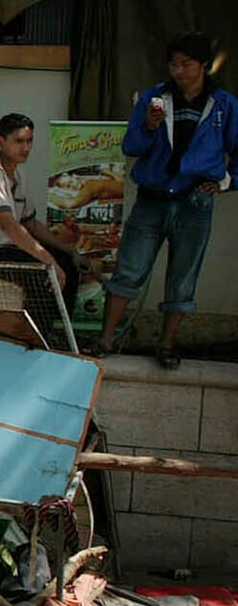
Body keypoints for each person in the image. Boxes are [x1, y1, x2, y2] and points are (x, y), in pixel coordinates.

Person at [96, 32, 237, 365]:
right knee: (129, 270)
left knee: (183, 276)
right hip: (152, 197)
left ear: (204, 66)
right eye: (174, 64)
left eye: (186, 64)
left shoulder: (225, 106)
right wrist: (147, 126)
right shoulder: (154, 99)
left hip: (196, 200)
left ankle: (167, 346)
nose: (179, 71)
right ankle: (105, 340)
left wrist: (228, 182)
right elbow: (131, 147)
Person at [0, 112, 84, 314]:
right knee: (42, 274)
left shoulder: (17, 174)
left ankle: (60, 332)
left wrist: (68, 250)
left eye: (29, 141)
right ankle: (35, 336)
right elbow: (7, 224)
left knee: (66, 264)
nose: (26, 148)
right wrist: (47, 259)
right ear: (0, 142)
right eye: (19, 141)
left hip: (4, 248)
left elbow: (30, 223)